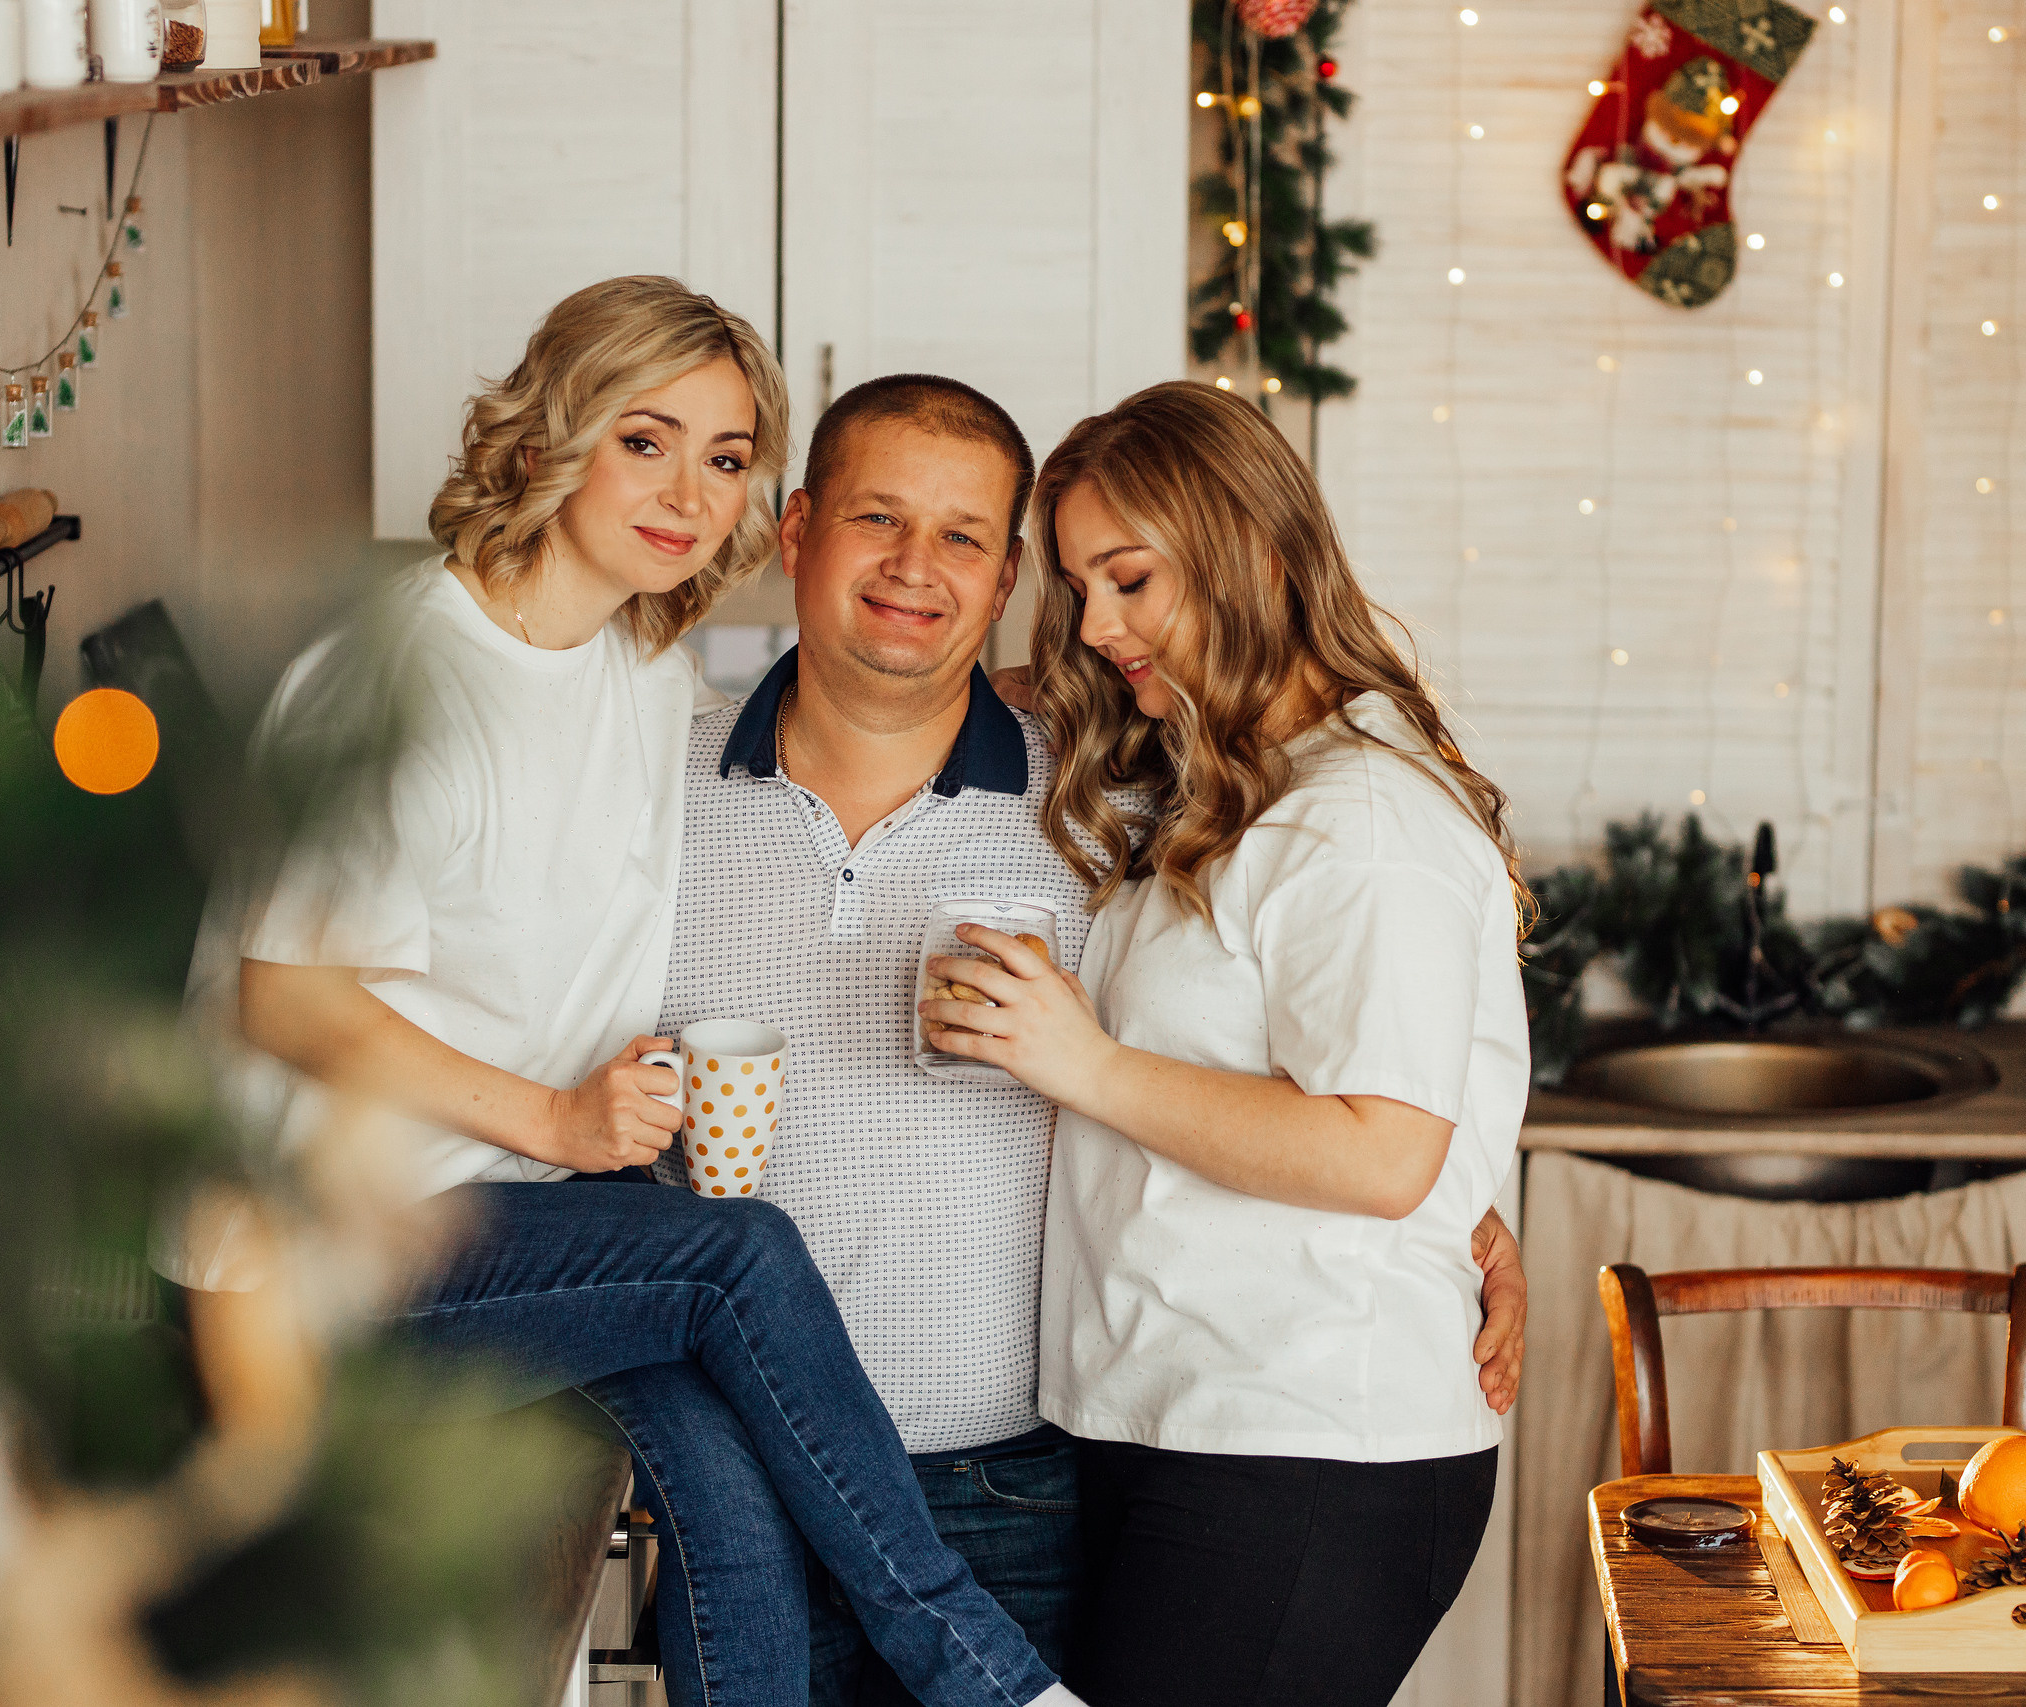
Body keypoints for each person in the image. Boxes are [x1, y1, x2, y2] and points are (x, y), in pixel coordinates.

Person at [164, 279, 1082, 1707]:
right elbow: (282, 997)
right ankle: (988, 1677)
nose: (687, 492)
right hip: (322, 1257)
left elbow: (897, 674)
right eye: (645, 440)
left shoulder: (642, 665)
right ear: (547, 437)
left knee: (722, 1478)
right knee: (740, 1256)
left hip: (512, 1231)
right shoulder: (396, 672)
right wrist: (554, 1119)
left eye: (724, 459)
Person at [601, 373, 1529, 1707]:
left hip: (1043, 1477)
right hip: (755, 1469)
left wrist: (1463, 1211)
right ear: (797, 529)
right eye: (878, 521)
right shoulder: (645, 790)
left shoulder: (1132, 797)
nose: (919, 569)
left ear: (1001, 576)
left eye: (967, 541)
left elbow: (1392, 1112)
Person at [918, 380, 1531, 1707]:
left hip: (1308, 1447)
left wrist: (1081, 1062)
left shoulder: (1364, 819)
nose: (1097, 624)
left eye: (1129, 578)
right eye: (1079, 584)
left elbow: (1383, 1154)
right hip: (1189, 1426)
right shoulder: (1235, 782)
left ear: (1254, 551)